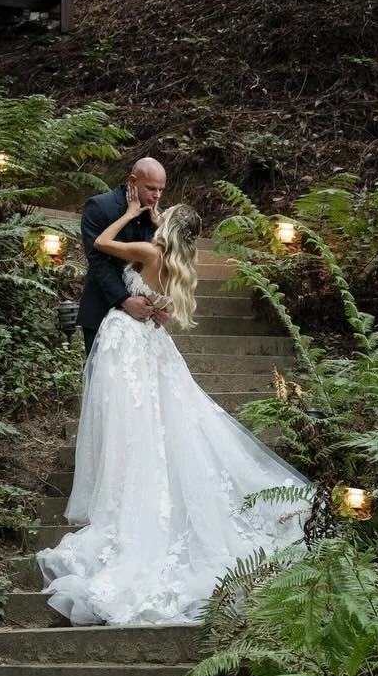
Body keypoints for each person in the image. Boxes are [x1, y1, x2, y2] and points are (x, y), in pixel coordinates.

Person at [39, 186, 313, 627]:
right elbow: (164, 307)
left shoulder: (148, 250)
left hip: (126, 341)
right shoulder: (178, 266)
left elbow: (100, 244)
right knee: (152, 416)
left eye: (165, 214)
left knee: (130, 415)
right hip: (149, 341)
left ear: (168, 228)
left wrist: (129, 211)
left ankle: (127, 482)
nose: (158, 212)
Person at [76, 157, 170, 352]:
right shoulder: (99, 207)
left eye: (161, 190)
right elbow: (98, 261)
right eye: (151, 188)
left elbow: (164, 264)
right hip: (102, 309)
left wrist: (164, 305)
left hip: (144, 319)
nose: (157, 196)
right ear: (132, 181)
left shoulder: (157, 216)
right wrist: (124, 300)